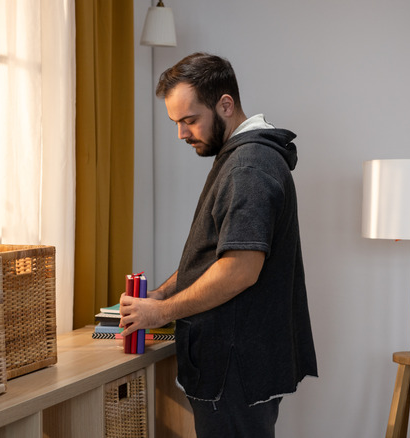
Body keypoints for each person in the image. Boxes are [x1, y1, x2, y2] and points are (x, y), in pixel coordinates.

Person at [119, 52, 317, 437]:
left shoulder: (249, 166)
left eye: (190, 120)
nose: (181, 133)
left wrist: (161, 314)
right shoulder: (242, 158)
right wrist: (159, 296)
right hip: (238, 365)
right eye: (176, 122)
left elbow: (240, 268)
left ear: (225, 104)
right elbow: (211, 255)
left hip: (233, 368)